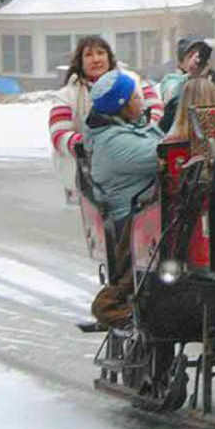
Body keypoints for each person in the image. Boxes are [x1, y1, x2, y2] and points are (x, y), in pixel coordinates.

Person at [84, 70, 165, 327]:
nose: (142, 100)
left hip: (150, 215)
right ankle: (114, 303)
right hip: (133, 227)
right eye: (136, 96)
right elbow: (168, 154)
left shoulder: (126, 130)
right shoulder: (115, 145)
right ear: (123, 106)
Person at [47, 35, 160, 204]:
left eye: (101, 53)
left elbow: (156, 108)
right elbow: (59, 134)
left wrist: (140, 134)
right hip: (84, 176)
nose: (96, 59)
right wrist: (93, 146)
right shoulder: (67, 95)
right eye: (89, 55)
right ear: (80, 61)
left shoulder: (132, 81)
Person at [156, 37, 215, 106]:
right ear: (181, 63)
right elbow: (171, 97)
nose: (198, 60)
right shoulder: (172, 80)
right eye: (191, 56)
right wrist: (193, 76)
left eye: (201, 55)